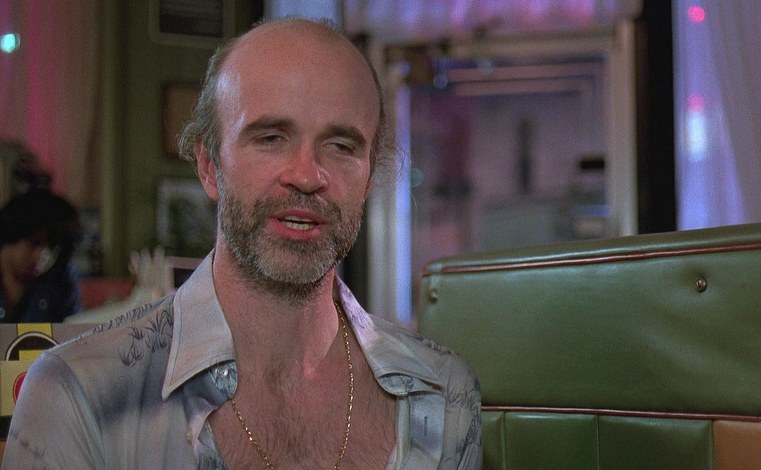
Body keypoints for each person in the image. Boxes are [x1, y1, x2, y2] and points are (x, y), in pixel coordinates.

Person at [3, 18, 482, 469]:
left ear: (369, 176)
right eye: (271, 138)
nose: (306, 175)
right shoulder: (78, 395)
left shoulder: (441, 394)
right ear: (209, 166)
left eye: (340, 146)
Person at [0, 189, 82, 323]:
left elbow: (72, 330)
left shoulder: (61, 279)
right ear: (12, 234)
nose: (41, 257)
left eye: (52, 248)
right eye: (34, 242)